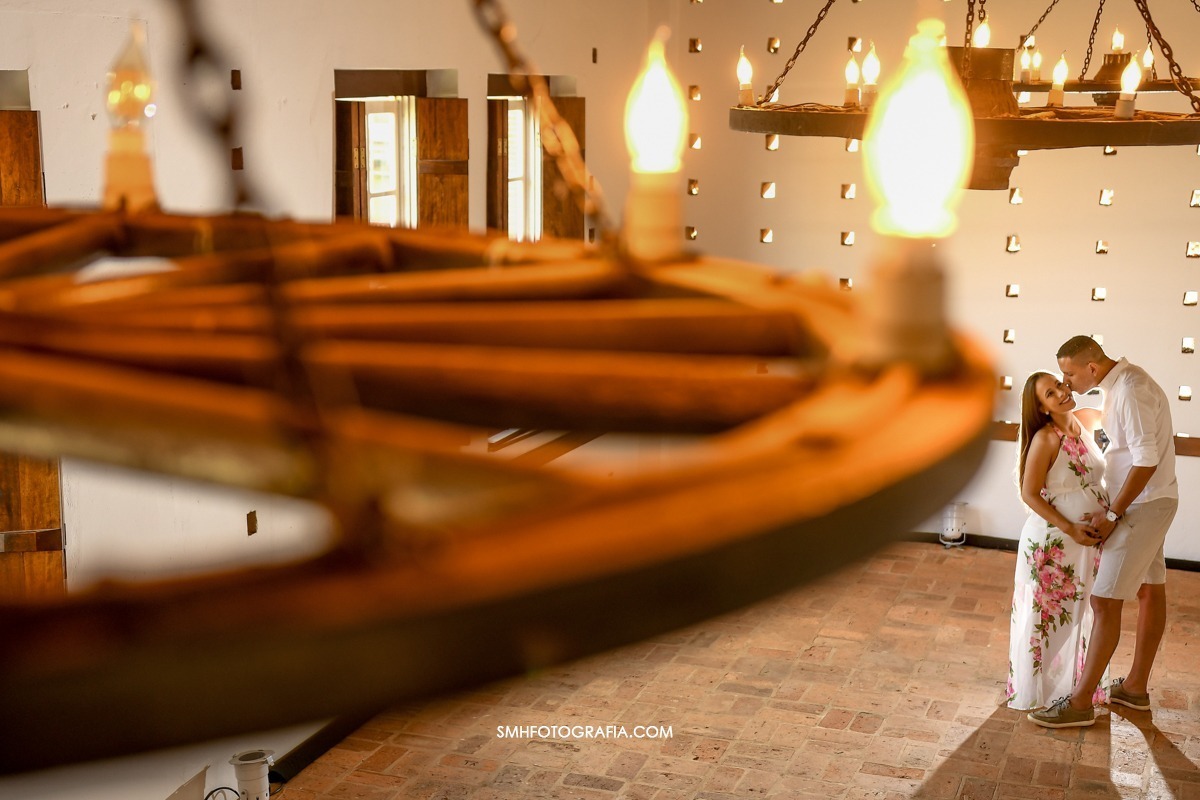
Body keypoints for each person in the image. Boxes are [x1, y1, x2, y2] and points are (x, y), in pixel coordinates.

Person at [1028, 336, 1178, 729]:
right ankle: (1134, 689)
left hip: (1141, 506)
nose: (1066, 383)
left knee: (1104, 602)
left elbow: (1146, 460)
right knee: (1149, 588)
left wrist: (1112, 514)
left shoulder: (1129, 389)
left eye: (1069, 373)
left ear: (1091, 368)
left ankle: (1079, 704)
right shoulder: (1120, 387)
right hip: (1149, 502)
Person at [1006, 371, 1108, 712]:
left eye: (1061, 384)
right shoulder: (1046, 439)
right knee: (1048, 619)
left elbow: (1117, 402)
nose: (1063, 392)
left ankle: (1069, 688)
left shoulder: (1084, 420)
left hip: (1085, 545)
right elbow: (1030, 493)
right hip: (1054, 545)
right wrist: (1070, 527)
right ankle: (1035, 690)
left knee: (1078, 615)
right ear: (1042, 408)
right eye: (1052, 393)